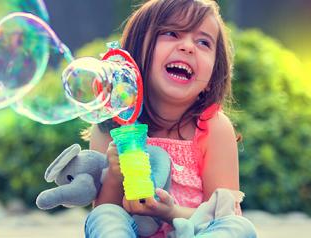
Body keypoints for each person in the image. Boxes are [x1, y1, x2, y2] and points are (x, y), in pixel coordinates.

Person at [85, 0, 257, 237]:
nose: (188, 46)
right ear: (134, 56)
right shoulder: (111, 125)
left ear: (211, 77)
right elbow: (104, 212)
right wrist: (115, 174)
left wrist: (171, 212)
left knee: (238, 226)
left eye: (203, 42)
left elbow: (222, 214)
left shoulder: (214, 128)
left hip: (194, 232)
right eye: (171, 33)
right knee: (104, 217)